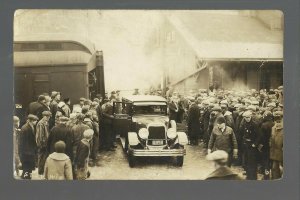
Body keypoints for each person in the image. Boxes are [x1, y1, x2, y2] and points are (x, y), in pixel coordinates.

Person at [239, 111, 260, 180]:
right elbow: (242, 133)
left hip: (252, 146)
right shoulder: (244, 124)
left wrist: (255, 144)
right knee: (247, 161)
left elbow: (259, 136)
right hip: (246, 145)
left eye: (248, 117)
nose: (247, 119)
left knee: (253, 162)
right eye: (245, 117)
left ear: (251, 116)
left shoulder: (255, 125)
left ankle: (253, 177)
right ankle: (248, 176)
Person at [19, 114, 39, 179]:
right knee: (27, 165)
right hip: (27, 151)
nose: (36, 122)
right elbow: (24, 142)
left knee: (27, 165)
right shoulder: (26, 128)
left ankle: (25, 175)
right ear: (31, 121)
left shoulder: (28, 127)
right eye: (35, 121)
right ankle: (26, 177)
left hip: (28, 150)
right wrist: (30, 151)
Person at [258, 111, 274, 180]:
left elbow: (262, 137)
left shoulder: (264, 125)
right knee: (272, 161)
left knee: (266, 161)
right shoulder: (274, 124)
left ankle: (266, 176)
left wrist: (260, 146)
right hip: (273, 146)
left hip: (265, 146)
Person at [35, 111, 52, 177]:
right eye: (48, 117)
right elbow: (40, 135)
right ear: (44, 116)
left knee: (44, 157)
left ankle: (43, 172)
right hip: (42, 144)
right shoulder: (41, 123)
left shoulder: (45, 123)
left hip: (45, 143)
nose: (49, 118)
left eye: (49, 117)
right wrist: (42, 144)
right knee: (41, 157)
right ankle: (40, 172)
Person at [270, 111, 283, 180]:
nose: (277, 122)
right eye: (276, 119)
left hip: (282, 154)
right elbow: (271, 139)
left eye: (279, 120)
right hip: (275, 154)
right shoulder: (273, 128)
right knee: (274, 169)